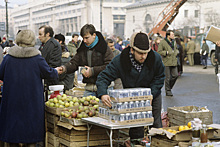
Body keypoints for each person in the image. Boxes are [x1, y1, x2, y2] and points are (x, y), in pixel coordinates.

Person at [96, 32, 165, 142]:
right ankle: (135, 142)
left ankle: (157, 142)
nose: (143, 56)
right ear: (132, 50)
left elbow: (160, 77)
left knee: (156, 124)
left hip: (153, 95)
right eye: (140, 53)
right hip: (132, 99)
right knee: (136, 126)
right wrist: (103, 93)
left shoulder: (155, 58)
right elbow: (103, 77)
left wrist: (150, 94)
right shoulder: (120, 60)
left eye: (146, 53)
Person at [0, 30, 58, 147]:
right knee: (31, 136)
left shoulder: (8, 58)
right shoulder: (37, 58)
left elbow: (1, 74)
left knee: (13, 135)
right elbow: (50, 74)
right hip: (31, 103)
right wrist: (57, 71)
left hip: (12, 102)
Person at [56, 24, 114, 97]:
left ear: (94, 35)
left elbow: (110, 66)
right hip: (89, 88)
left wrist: (92, 71)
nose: (85, 41)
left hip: (105, 88)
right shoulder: (82, 49)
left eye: (87, 38)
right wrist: (64, 68)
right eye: (83, 38)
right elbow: (74, 63)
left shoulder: (104, 48)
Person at [158, 30, 179, 96]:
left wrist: (176, 52)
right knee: (167, 77)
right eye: (172, 35)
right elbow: (159, 51)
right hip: (166, 62)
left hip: (174, 61)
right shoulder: (163, 42)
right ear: (168, 36)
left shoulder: (174, 42)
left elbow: (176, 49)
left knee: (175, 75)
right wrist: (166, 53)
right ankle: (168, 91)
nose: (173, 36)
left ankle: (169, 87)